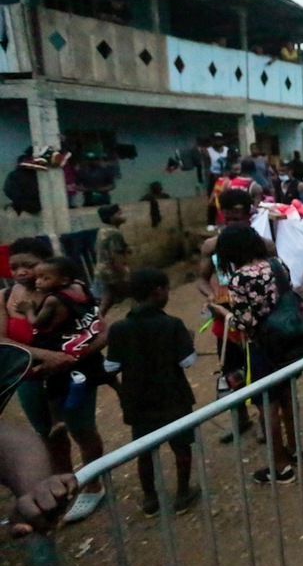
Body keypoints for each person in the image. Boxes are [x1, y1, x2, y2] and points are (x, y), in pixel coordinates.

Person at [5, 252, 107, 523]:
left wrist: (69, 359)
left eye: (30, 265)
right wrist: (46, 356)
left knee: (83, 429)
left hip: (71, 373)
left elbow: (101, 330)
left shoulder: (68, 294)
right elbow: (2, 343)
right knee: (49, 434)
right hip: (28, 378)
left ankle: (94, 484)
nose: (22, 272)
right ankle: (65, 485)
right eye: (14, 267)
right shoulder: (5, 298)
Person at [105, 268, 201, 516]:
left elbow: (111, 366)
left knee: (144, 450)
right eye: (167, 289)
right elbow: (187, 362)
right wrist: (188, 341)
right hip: (173, 396)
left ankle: (150, 499)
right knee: (181, 446)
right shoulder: (172, 325)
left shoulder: (118, 328)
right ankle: (182, 494)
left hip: (138, 400)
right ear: (158, 291)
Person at [209, 227, 300, 484]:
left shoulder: (238, 279)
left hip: (262, 349)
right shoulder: (278, 264)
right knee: (287, 397)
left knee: (267, 407)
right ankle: (295, 450)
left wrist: (221, 312)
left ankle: (281, 468)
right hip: (289, 342)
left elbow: (244, 322)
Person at [196, 188, 275, 445]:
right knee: (232, 373)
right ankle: (241, 419)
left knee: (263, 373)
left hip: (258, 323)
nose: (231, 224)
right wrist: (210, 296)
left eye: (237, 219)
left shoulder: (264, 246)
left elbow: (276, 278)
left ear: (249, 215)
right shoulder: (212, 246)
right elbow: (201, 279)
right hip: (226, 322)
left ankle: (267, 424)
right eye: (227, 219)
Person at [92, 204, 131, 316]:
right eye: (119, 213)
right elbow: (116, 256)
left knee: (107, 299)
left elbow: (97, 249)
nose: (123, 216)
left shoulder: (102, 231)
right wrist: (124, 272)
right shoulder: (114, 233)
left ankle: (96, 323)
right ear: (111, 217)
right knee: (137, 293)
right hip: (112, 271)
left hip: (102, 270)